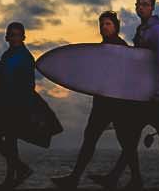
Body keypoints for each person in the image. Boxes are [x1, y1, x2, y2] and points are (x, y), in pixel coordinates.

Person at [94, 0, 159, 189]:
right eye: (138, 4)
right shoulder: (142, 29)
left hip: (154, 94)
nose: (141, 7)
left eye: (145, 4)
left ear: (152, 7)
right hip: (144, 94)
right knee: (134, 136)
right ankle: (125, 178)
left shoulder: (156, 30)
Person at [49, 11, 140, 190]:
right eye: (101, 24)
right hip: (102, 103)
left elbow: (126, 75)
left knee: (125, 143)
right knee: (90, 139)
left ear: (116, 27)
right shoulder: (100, 48)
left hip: (117, 104)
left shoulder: (120, 47)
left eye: (108, 24)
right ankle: (75, 178)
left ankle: (135, 178)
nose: (103, 27)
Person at [0, 21, 38, 189]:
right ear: (7, 37)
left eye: (18, 35)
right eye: (12, 35)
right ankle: (17, 171)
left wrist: (29, 108)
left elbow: (30, 86)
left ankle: (14, 175)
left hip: (17, 105)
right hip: (4, 104)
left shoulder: (26, 57)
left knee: (5, 140)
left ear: (23, 37)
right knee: (2, 140)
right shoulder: (7, 55)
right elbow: (0, 79)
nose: (15, 38)